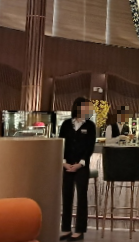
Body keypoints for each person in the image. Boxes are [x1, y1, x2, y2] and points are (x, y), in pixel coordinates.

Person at [59, 97, 96, 241]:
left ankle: (79, 230)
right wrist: (63, 162)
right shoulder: (66, 124)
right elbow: (61, 143)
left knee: (81, 197)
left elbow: (89, 147)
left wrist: (80, 163)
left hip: (82, 166)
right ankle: (66, 229)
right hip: (66, 165)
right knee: (66, 196)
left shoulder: (90, 126)